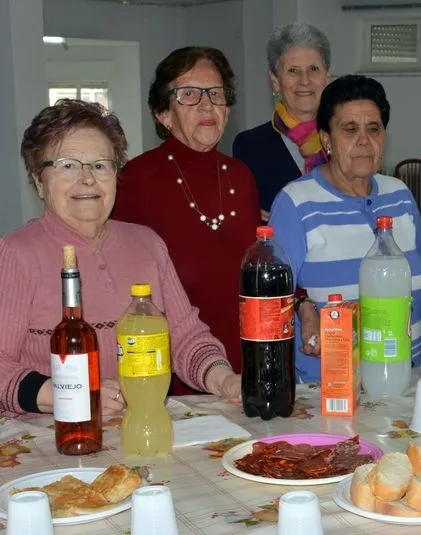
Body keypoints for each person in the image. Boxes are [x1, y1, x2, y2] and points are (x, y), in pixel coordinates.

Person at [0, 100, 240, 418]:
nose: (87, 178)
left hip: (142, 428)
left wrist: (225, 379)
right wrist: (68, 393)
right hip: (51, 440)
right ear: (38, 180)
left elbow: (186, 337)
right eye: (68, 165)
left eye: (101, 165)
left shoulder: (147, 244)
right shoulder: (13, 255)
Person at [268, 74, 421, 382]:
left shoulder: (399, 195)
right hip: (330, 387)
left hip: (408, 379)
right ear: (326, 139)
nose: (364, 140)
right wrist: (303, 305)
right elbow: (273, 298)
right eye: (350, 129)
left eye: (373, 129)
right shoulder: (296, 203)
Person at [114, 47, 261, 393]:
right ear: (163, 113)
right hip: (173, 371)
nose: (207, 106)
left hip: (241, 366)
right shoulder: (134, 181)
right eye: (189, 95)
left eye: (216, 94)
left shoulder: (241, 176)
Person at [233, 22, 331, 219]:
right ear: (275, 81)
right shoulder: (249, 147)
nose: (305, 80)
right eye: (293, 70)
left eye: (313, 68)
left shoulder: (345, 139)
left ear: (327, 77)